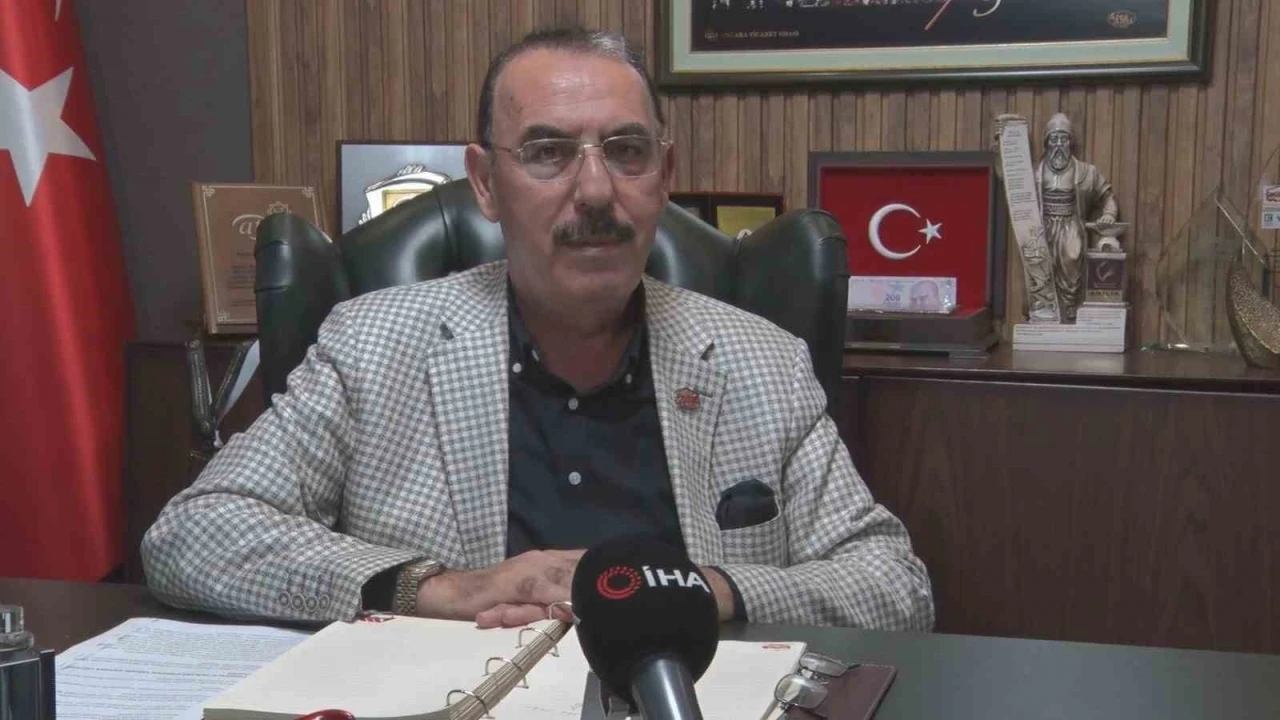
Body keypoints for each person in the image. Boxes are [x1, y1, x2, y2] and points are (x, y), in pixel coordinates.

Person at [142, 27, 933, 631]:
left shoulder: (762, 360)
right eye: (548, 152)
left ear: (664, 175)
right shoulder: (373, 344)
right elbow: (194, 533)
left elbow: (894, 586)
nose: (596, 191)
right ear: (486, 183)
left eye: (626, 151)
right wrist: (435, 587)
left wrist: (707, 589)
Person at [1037, 113, 1119, 322]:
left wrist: (1109, 214)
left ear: (1070, 142)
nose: (1058, 144)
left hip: (1070, 226)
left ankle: (1070, 312)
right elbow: (1010, 183)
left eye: (1063, 139)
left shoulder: (1087, 172)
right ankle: (1044, 313)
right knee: (1040, 271)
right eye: (1054, 139)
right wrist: (1001, 148)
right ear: (1046, 143)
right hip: (1042, 228)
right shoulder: (1035, 172)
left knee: (1072, 266)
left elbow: (1107, 197)